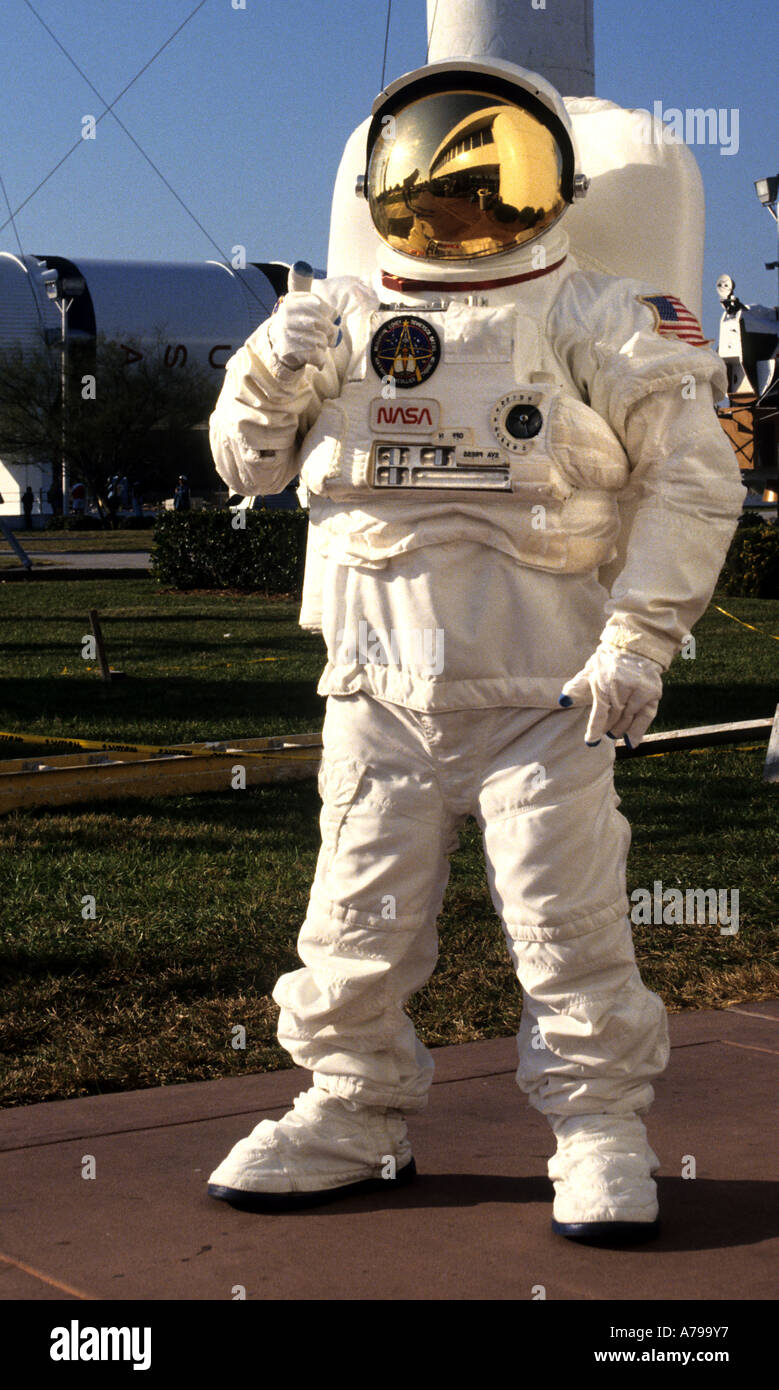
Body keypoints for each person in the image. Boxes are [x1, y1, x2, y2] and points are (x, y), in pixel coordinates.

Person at [206, 57, 744, 1242]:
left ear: (555, 182)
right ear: (385, 185)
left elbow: (692, 486)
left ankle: (598, 1125)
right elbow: (241, 468)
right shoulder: (332, 319)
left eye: (491, 176)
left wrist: (639, 643)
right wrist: (266, 373)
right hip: (377, 696)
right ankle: (350, 1107)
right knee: (353, 920)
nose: (462, 211)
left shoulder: (604, 316)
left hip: (544, 699)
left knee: (567, 923)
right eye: (434, 179)